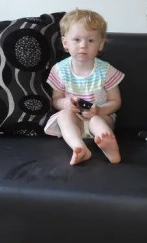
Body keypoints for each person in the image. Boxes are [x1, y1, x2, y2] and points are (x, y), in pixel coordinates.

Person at [44, 9, 124, 165]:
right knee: (63, 115)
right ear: (65, 43)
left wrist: (99, 110)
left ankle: (110, 148)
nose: (83, 46)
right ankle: (79, 147)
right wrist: (65, 103)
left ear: (100, 44)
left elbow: (116, 102)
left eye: (91, 41)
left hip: (101, 118)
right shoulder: (60, 70)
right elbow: (56, 99)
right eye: (76, 39)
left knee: (96, 121)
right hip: (75, 122)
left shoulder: (106, 70)